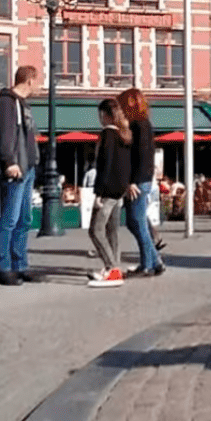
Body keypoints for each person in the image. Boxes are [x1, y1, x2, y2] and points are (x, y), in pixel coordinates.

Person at [0, 65, 41, 286]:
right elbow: (4, 133)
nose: (40, 86)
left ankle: (19, 265)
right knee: (9, 219)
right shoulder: (6, 102)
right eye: (38, 81)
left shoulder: (21, 103)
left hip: (26, 167)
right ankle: (2, 268)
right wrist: (9, 161)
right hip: (15, 168)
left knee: (24, 219)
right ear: (29, 81)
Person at [118, 87, 165, 276]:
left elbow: (140, 156)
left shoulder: (139, 126)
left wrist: (133, 182)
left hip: (138, 181)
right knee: (136, 221)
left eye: (122, 104)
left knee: (137, 222)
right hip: (141, 179)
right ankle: (155, 261)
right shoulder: (142, 125)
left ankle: (148, 264)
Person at [86, 99, 132, 287]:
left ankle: (111, 268)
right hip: (120, 189)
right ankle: (115, 267)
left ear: (106, 115)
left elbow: (104, 165)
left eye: (100, 115)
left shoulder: (107, 135)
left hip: (108, 189)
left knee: (95, 230)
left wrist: (98, 192)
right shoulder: (125, 135)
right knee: (112, 230)